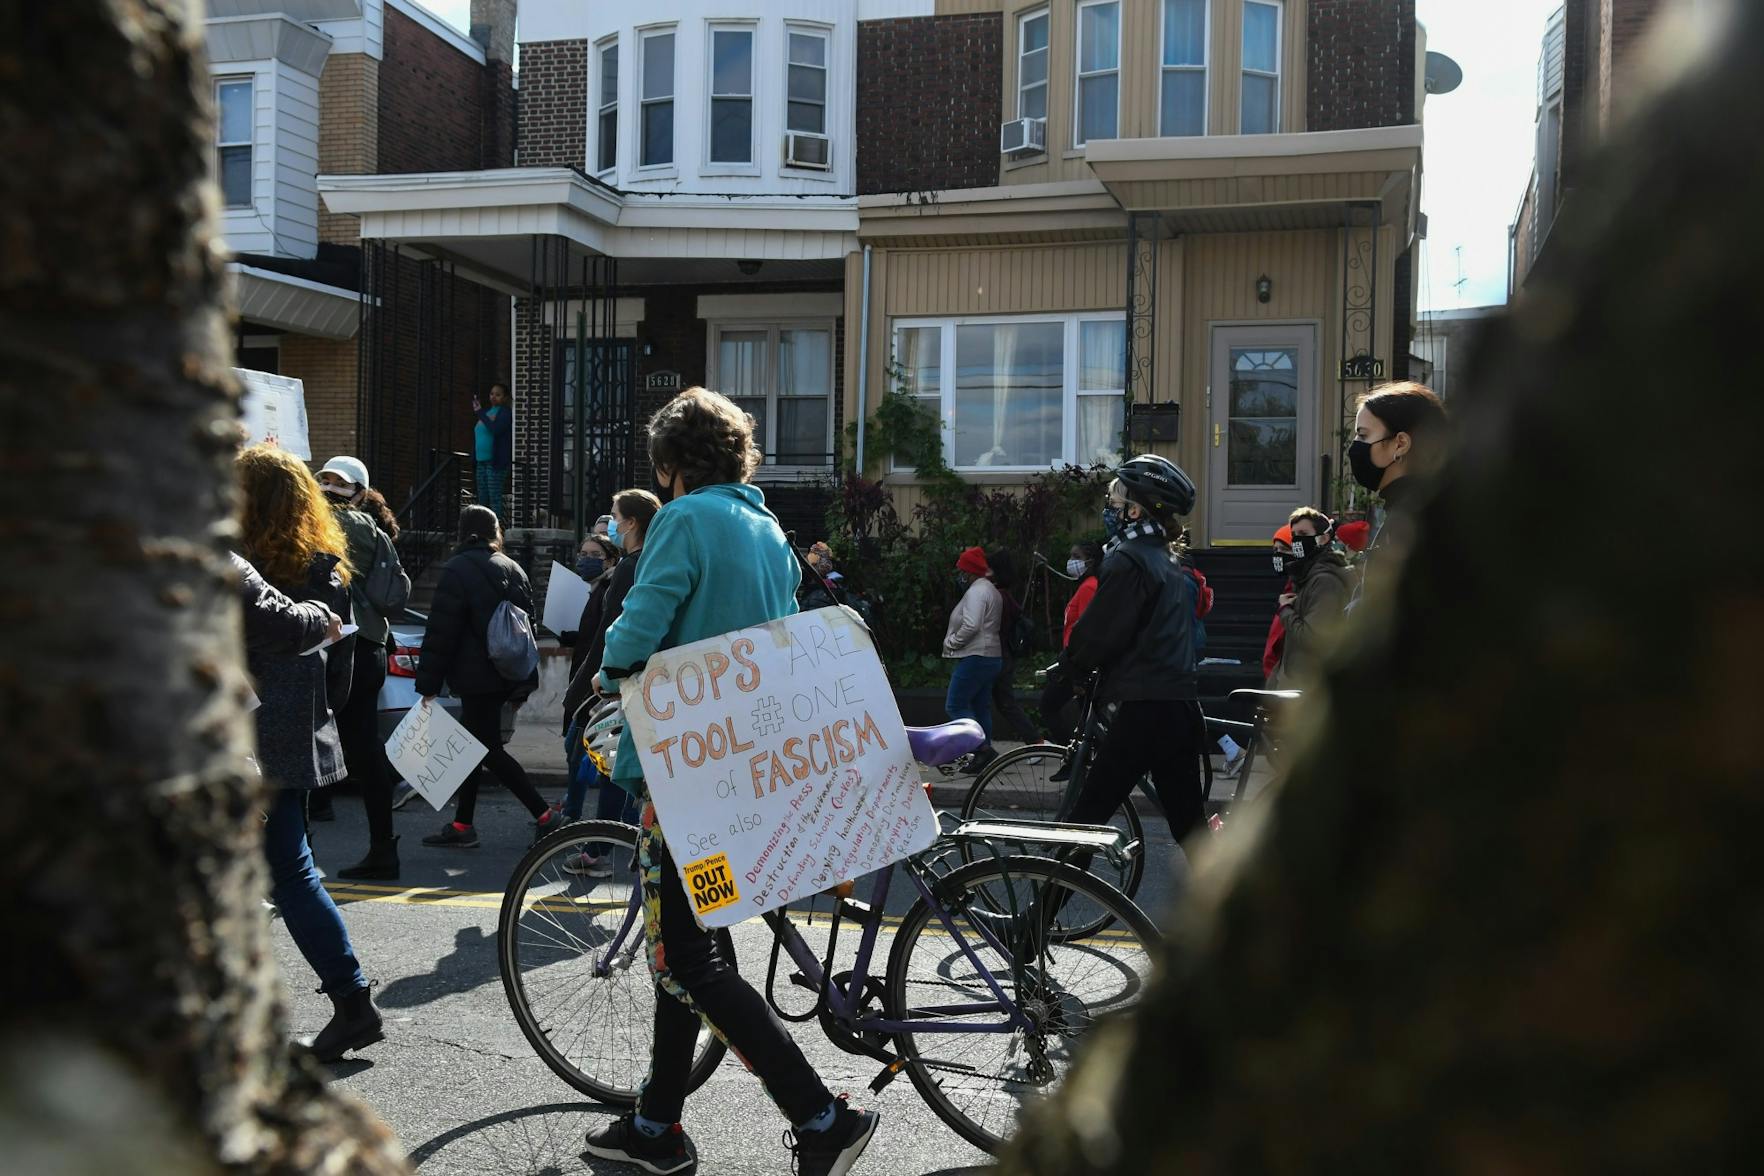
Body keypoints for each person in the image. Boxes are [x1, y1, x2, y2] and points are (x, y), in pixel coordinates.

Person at [585, 387, 879, 1176]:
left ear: (671, 467)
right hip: (743, 770)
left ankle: (823, 1115)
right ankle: (656, 1130)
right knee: (693, 950)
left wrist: (613, 667)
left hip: (687, 772)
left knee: (685, 958)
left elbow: (643, 621)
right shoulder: (766, 526)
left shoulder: (685, 519)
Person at [234, 445, 382, 1061]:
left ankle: (352, 1004)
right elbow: (341, 657)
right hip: (297, 726)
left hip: (252, 731)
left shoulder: (241, 564)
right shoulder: (327, 565)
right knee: (279, 870)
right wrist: (323, 716)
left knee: (287, 872)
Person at [1060, 454, 1208, 848]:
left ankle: (1043, 910)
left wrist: (1070, 666)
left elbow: (1101, 632)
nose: (1110, 508)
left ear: (1135, 509)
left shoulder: (1128, 559)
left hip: (1144, 706)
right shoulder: (1167, 558)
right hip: (1177, 704)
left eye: (1115, 501)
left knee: (1085, 821)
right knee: (1191, 829)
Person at [416, 505, 564, 848]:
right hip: (508, 672)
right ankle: (462, 825)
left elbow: (442, 632)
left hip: (475, 677)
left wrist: (428, 684)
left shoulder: (456, 570)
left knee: (487, 750)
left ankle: (545, 815)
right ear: (494, 532)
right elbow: (529, 625)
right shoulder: (514, 568)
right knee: (473, 746)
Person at [314, 456, 413, 879]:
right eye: (325, 479)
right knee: (361, 744)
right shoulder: (371, 527)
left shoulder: (337, 523)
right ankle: (379, 846)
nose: (328, 487)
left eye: (337, 482)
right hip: (367, 646)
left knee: (325, 737)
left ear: (357, 490)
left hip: (340, 646)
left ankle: (303, 848)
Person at [558, 489, 660, 851]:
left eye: (616, 517)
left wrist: (585, 688)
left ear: (632, 523)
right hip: (637, 681)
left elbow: (610, 633)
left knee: (604, 761)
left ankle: (599, 846)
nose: (612, 524)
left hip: (614, 684)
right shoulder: (648, 563)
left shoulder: (631, 567)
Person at [1347, 381, 1448, 605]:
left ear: (1400, 444)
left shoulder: (1414, 520)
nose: (1354, 447)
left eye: (1363, 436)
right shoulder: (1421, 507)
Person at [1267, 507, 1354, 689]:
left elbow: (1312, 638)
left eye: (1303, 533)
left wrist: (1285, 610)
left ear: (1323, 538)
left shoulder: (1324, 581)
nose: (1298, 540)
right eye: (1294, 535)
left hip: (1308, 689)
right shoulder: (1306, 577)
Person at [942, 546, 1005, 774]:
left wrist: (952, 642)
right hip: (991, 656)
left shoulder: (976, 592)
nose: (960, 574)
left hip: (976, 655)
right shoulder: (991, 590)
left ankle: (982, 749)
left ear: (969, 571)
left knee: (955, 704)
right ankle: (984, 753)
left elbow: (971, 625)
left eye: (962, 570)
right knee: (980, 706)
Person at [1040, 541, 1103, 746]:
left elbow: (1086, 629)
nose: (1071, 561)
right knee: (1087, 717)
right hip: (1075, 660)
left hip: (1076, 662)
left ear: (1090, 561)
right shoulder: (1086, 586)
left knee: (1049, 706)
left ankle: (1071, 757)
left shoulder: (1089, 587)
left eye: (1077, 557)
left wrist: (1077, 669)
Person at [984, 548, 1041, 752]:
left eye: (988, 568)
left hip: (995, 656)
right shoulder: (1005, 596)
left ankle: (982, 748)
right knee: (1005, 703)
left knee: (980, 702)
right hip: (1005, 655)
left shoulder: (996, 597)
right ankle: (1034, 741)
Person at [472, 382, 514, 521]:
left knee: (494, 497)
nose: (494, 397)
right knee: (483, 498)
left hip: (495, 461)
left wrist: (480, 413)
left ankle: (496, 531)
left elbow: (495, 429)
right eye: (491, 394)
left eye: (498, 394)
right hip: (481, 462)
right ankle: (482, 529)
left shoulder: (504, 413)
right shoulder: (487, 413)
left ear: (505, 397)